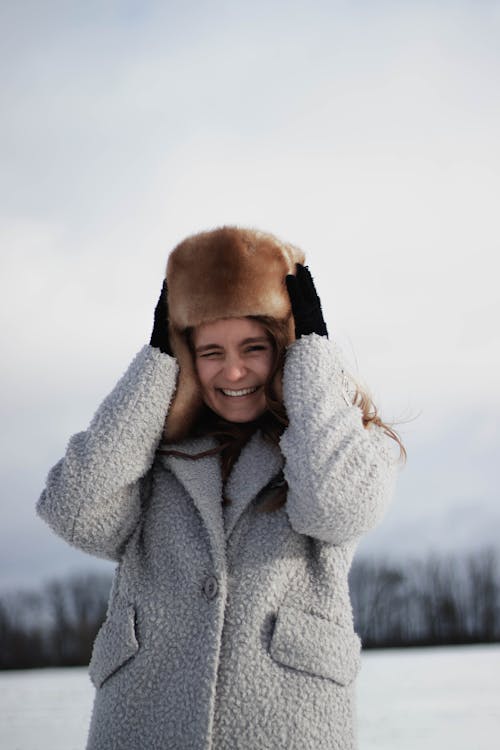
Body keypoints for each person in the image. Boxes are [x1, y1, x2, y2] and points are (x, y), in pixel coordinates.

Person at [37, 226, 403, 750]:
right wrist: (157, 363)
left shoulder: (335, 442)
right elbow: (73, 510)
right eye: (209, 351)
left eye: (255, 347)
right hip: (144, 724)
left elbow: (336, 506)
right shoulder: (147, 457)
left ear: (287, 348)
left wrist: (313, 354)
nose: (233, 370)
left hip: (288, 726)